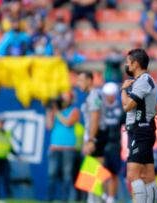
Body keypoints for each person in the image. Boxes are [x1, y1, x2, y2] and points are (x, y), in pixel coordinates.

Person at [121, 48, 157, 203]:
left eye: (128, 63)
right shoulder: (145, 81)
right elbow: (155, 110)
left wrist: (123, 90)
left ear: (135, 64)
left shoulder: (143, 80)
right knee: (148, 175)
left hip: (140, 131)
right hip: (145, 129)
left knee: (133, 174)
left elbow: (127, 106)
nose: (126, 66)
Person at [77, 70, 108, 203]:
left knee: (95, 171)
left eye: (81, 80)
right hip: (96, 135)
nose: (79, 83)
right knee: (92, 172)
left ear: (90, 80)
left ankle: (97, 200)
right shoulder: (93, 95)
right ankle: (95, 199)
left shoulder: (94, 95)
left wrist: (90, 139)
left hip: (97, 135)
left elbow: (95, 119)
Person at [46, 91, 80, 202]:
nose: (63, 100)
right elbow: (49, 126)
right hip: (55, 147)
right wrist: (49, 111)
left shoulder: (74, 111)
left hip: (68, 148)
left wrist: (56, 112)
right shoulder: (56, 112)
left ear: (71, 100)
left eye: (66, 98)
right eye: (63, 98)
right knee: (52, 174)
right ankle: (49, 199)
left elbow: (68, 122)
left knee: (67, 175)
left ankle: (64, 199)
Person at [102, 82, 124, 203]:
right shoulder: (101, 109)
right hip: (102, 145)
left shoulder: (120, 109)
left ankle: (111, 197)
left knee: (113, 172)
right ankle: (102, 195)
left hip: (115, 145)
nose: (108, 97)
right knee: (101, 172)